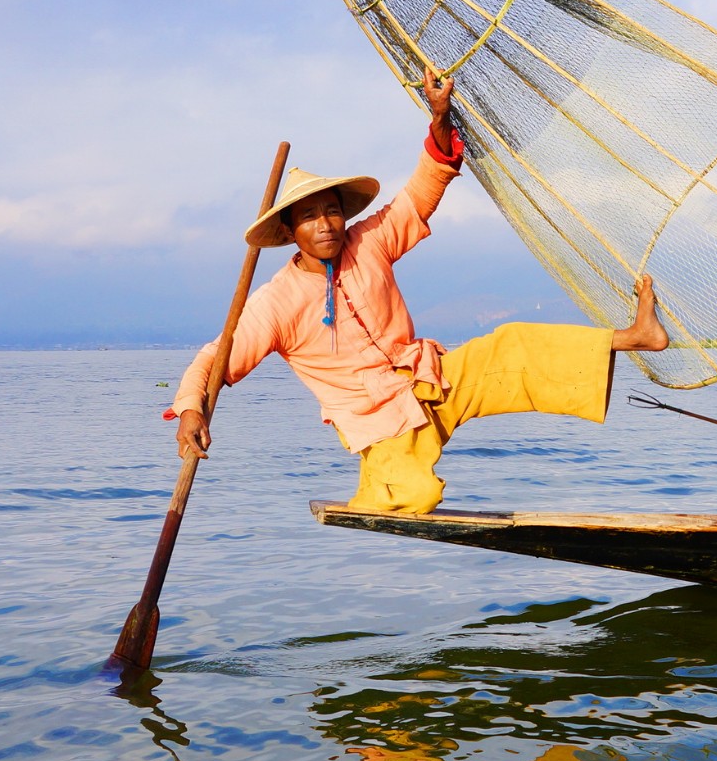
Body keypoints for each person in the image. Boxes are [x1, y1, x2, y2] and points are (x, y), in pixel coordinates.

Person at [170, 65, 667, 514]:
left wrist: (439, 116)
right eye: (309, 217)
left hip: (428, 378)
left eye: (332, 211)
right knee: (416, 496)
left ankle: (637, 336)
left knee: (513, 345)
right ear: (290, 232)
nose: (325, 225)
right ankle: (379, 484)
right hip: (381, 421)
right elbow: (216, 358)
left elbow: (422, 193)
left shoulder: (368, 241)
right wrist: (193, 408)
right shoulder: (275, 304)